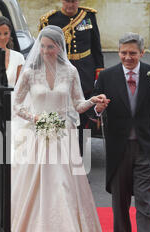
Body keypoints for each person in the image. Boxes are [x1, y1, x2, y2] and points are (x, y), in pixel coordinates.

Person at [10, 25, 111, 232]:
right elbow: (16, 103)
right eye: (42, 46)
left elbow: (77, 104)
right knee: (37, 188)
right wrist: (35, 118)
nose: (45, 51)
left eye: (50, 47)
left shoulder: (70, 71)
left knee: (65, 187)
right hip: (39, 136)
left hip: (63, 137)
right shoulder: (31, 72)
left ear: (59, 47)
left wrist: (94, 102)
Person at [92, 32, 150, 232]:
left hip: (146, 148)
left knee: (145, 202)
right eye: (124, 53)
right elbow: (91, 108)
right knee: (120, 204)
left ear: (141, 53)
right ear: (118, 53)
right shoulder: (106, 77)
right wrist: (98, 108)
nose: (128, 57)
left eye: (132, 53)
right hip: (118, 150)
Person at [39, 0, 104, 155]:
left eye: (74, 1)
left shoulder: (88, 16)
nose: (71, 5)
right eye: (68, 1)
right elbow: (43, 50)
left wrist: (99, 75)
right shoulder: (50, 20)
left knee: (83, 116)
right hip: (59, 73)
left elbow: (96, 47)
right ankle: (57, 152)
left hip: (84, 74)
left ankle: (80, 153)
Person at [0, 16, 24, 87]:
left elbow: (20, 87)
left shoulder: (18, 57)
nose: (2, 38)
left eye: (6, 33)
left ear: (10, 33)